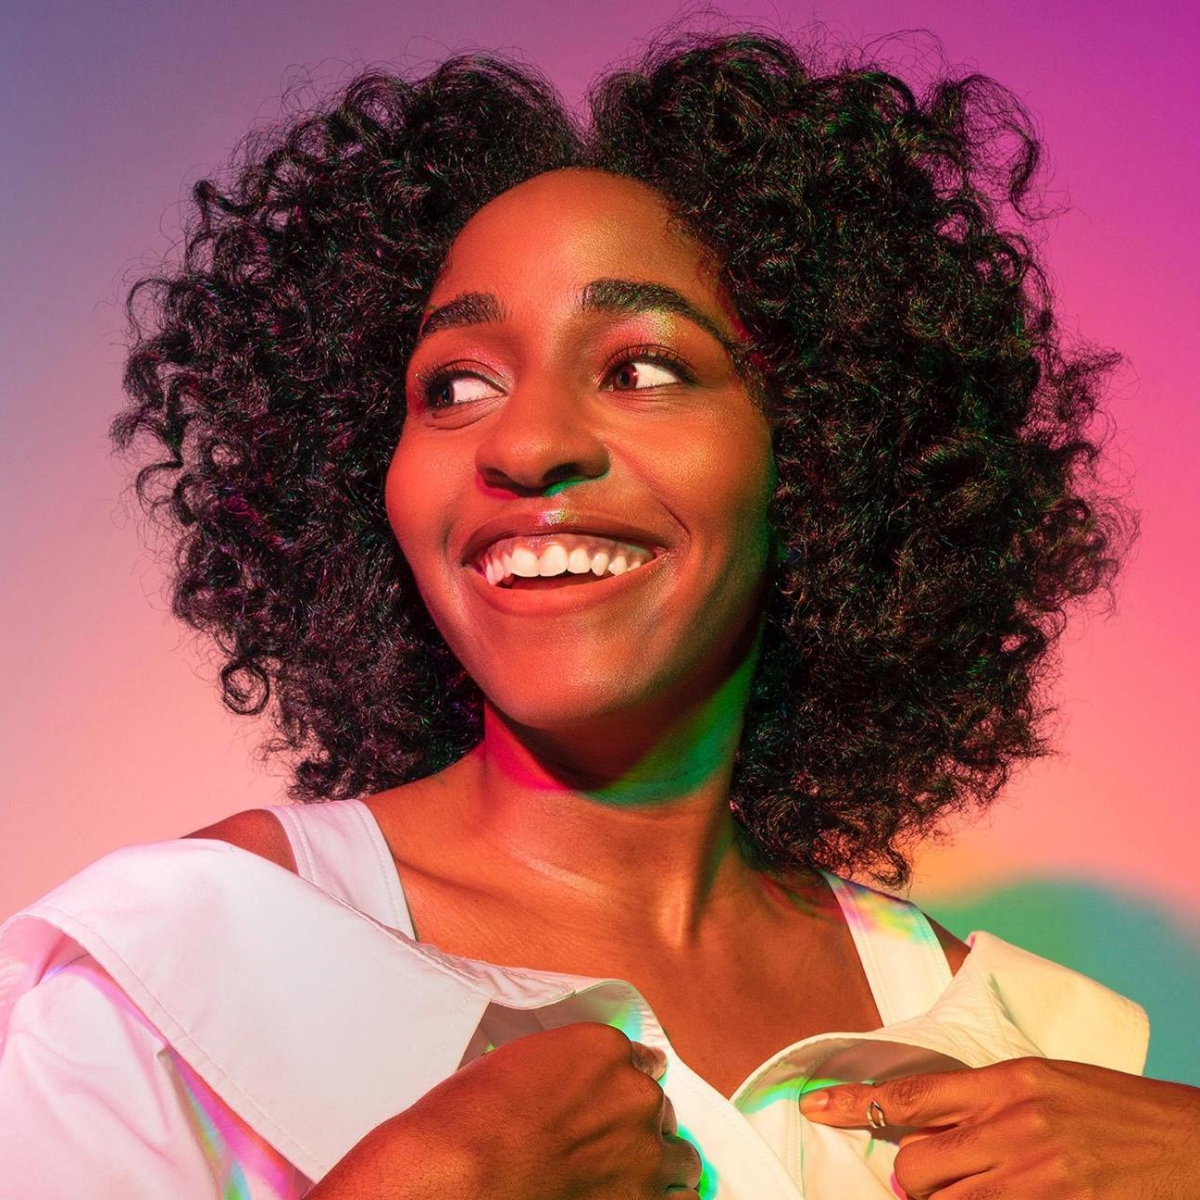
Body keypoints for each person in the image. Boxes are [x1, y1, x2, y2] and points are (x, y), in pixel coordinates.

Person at [1, 26, 1194, 1200]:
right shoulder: (177, 972)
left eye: (642, 369)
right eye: (455, 384)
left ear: (827, 453)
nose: (526, 445)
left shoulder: (1007, 1035)